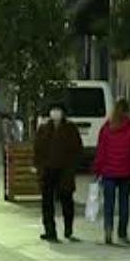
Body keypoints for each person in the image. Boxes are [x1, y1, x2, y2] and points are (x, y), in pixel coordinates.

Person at [93, 98, 130, 245]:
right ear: (127, 111)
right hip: (126, 171)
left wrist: (97, 169)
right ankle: (122, 233)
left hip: (108, 172)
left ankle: (108, 231)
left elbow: (101, 151)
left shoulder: (106, 128)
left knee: (109, 204)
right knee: (124, 203)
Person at [34, 103, 84, 242]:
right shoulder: (44, 128)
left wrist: (72, 167)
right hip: (48, 170)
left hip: (65, 171)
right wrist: (39, 166)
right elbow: (38, 148)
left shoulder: (70, 128)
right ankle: (50, 230)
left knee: (66, 200)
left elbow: (77, 149)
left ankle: (68, 229)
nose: (55, 113)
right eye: (53, 110)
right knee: (47, 202)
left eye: (58, 110)